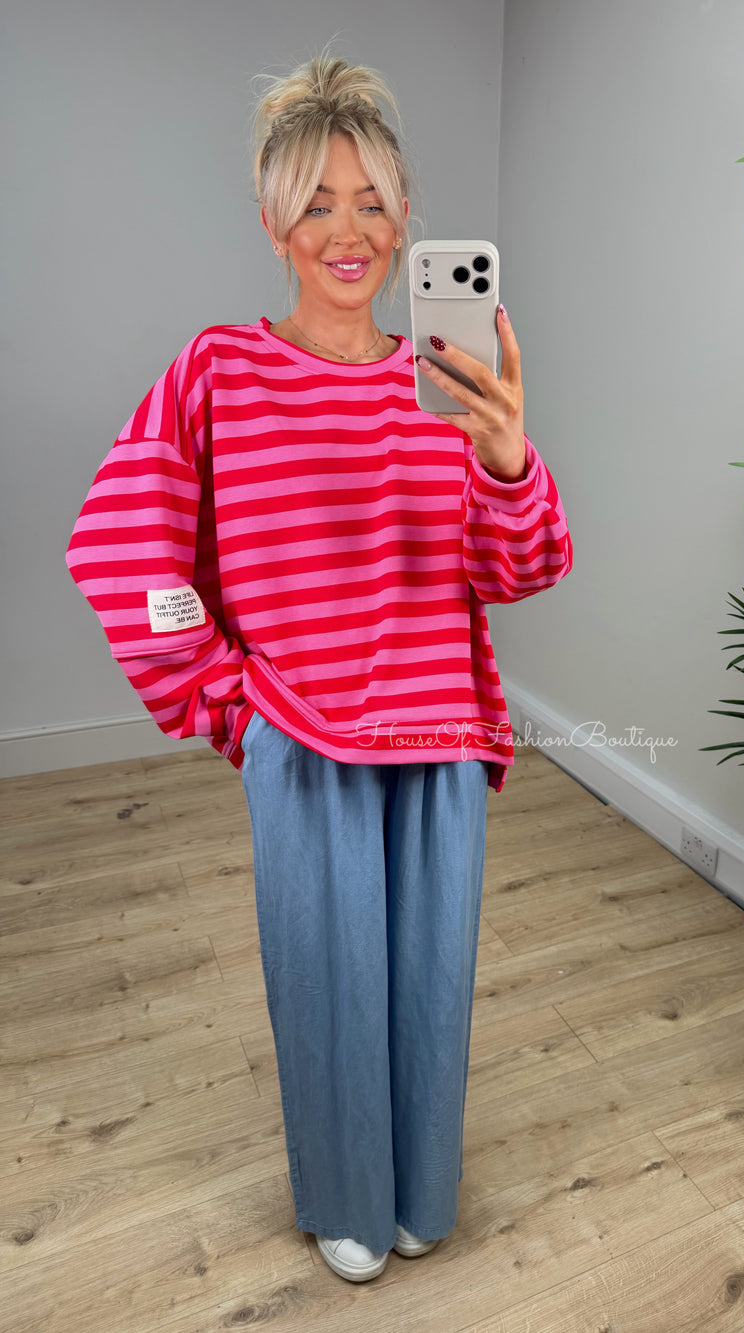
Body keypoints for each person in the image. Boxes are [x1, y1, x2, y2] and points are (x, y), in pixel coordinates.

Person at [65, 52, 572, 1284]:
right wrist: (221, 697)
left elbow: (520, 566)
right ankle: (345, 1193)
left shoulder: (446, 388)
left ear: (405, 220)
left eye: (373, 202)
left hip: (440, 732)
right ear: (272, 222)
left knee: (430, 980)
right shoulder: (220, 372)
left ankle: (421, 1186)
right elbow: (122, 540)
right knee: (331, 981)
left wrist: (506, 454)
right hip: (302, 732)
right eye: (317, 204)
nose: (348, 232)